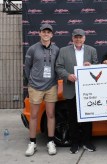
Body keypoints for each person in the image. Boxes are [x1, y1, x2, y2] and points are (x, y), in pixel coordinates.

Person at [55, 29, 98, 154]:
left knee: (87, 117)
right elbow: (58, 67)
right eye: (76, 37)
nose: (78, 39)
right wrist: (67, 75)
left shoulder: (92, 50)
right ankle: (74, 143)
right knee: (72, 118)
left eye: (80, 37)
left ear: (84, 38)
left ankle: (87, 142)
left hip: (87, 90)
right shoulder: (64, 50)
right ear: (72, 38)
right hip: (70, 89)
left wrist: (91, 66)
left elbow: (97, 66)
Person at [24, 24, 59, 156]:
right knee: (34, 115)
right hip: (35, 87)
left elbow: (58, 66)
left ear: (52, 35)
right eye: (43, 32)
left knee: (50, 114)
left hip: (51, 86)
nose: (46, 34)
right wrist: (32, 82)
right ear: (39, 33)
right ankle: (32, 143)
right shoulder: (32, 49)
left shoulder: (56, 49)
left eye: (48, 32)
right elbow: (27, 68)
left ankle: (50, 142)